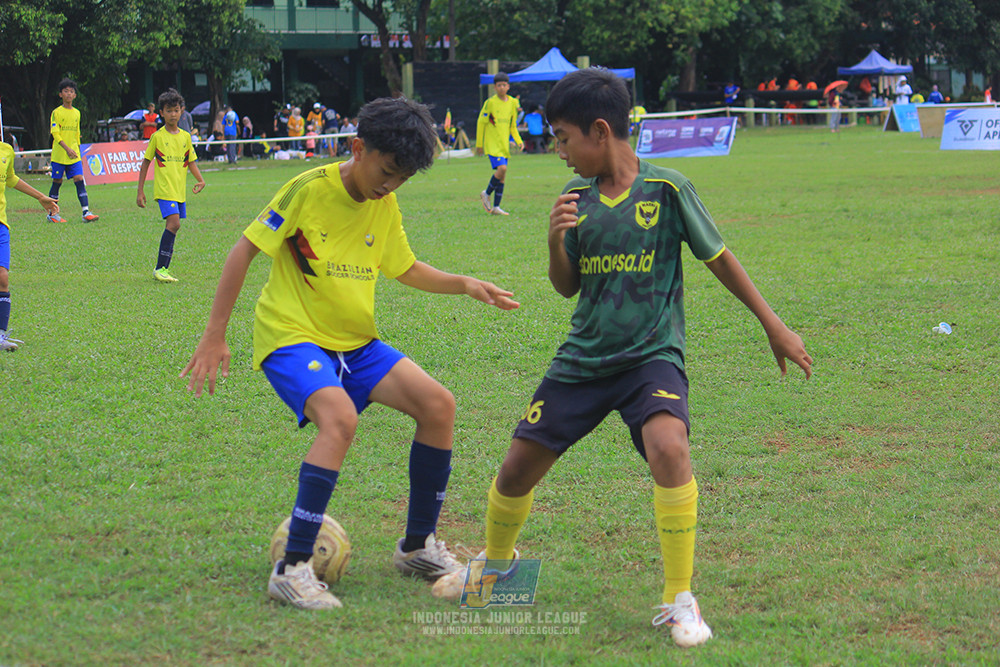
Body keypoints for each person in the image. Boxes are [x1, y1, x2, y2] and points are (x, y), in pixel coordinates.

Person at [431, 68, 812, 647]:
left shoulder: (668, 191)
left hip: (650, 359)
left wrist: (774, 326)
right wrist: (556, 239)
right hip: (583, 360)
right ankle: (497, 565)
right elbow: (567, 287)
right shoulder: (576, 201)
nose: (557, 151)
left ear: (600, 130)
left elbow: (721, 259)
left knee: (669, 447)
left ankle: (679, 597)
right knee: (515, 469)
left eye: (562, 137)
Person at [179, 96, 520, 610]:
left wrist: (465, 283)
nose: (390, 185)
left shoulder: (384, 203)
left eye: (402, 178)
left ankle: (416, 547)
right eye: (387, 171)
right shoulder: (308, 190)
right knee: (338, 418)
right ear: (358, 148)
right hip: (291, 335)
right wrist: (214, 334)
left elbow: (403, 267)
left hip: (356, 345)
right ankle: (292, 568)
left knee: (438, 406)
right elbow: (243, 250)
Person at [137, 89, 206, 284]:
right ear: (162, 113)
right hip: (165, 189)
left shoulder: (185, 137)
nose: (173, 114)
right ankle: (160, 268)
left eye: (176, 110)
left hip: (179, 190)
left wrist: (200, 180)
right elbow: (145, 163)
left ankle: (163, 268)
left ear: (182, 112)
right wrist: (140, 190)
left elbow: (191, 161)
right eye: (169, 110)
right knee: (174, 224)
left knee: (174, 227)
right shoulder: (157, 137)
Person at [1, 140, 61, 351]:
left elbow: (10, 179)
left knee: (2, 277)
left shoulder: (6, 150)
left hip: (1, 224)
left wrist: (40, 197)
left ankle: (0, 336)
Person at [47, 78, 99, 223]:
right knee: (57, 181)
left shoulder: (77, 113)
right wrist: (67, 148)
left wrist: (77, 151)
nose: (69, 94)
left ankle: (85, 212)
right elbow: (55, 134)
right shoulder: (56, 112)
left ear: (75, 95)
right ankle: (52, 214)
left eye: (71, 91)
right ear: (60, 94)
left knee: (79, 179)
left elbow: (77, 134)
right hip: (60, 154)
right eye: (66, 91)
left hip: (74, 154)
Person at [476, 72, 523, 216]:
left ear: (508, 86)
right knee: (502, 168)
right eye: (499, 85)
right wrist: (479, 144)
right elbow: (481, 122)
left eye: (504, 85)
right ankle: (486, 193)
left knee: (502, 176)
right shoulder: (490, 103)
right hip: (492, 144)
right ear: (495, 87)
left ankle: (496, 207)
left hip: (504, 145)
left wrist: (519, 141)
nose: (502, 88)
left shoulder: (512, 103)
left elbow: (512, 126)